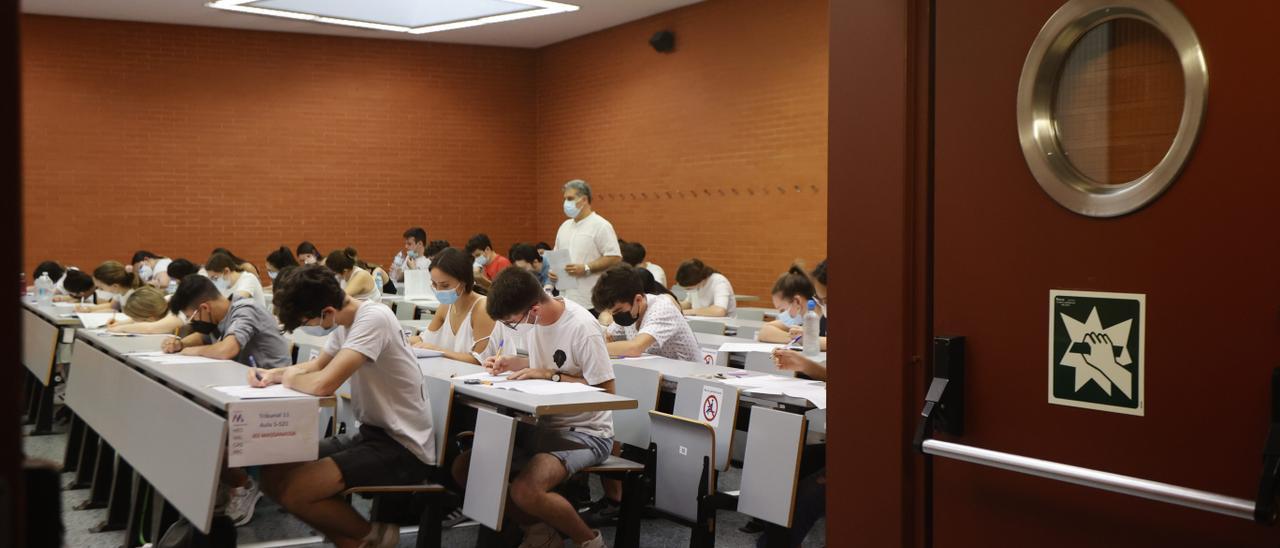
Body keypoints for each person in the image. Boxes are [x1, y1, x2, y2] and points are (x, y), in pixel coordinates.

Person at [253, 265, 440, 548]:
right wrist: (272, 375)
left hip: (403, 446)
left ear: (327, 312)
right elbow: (316, 366)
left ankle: (374, 537)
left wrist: (291, 378)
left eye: (308, 320)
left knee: (295, 492)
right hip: (371, 434)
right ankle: (365, 541)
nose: (308, 326)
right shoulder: (345, 322)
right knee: (271, 474)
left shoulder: (373, 318)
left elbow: (322, 385)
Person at [453, 267, 613, 548]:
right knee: (466, 467)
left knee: (526, 489)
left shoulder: (582, 328)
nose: (513, 329)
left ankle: (589, 541)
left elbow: (607, 393)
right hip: (542, 425)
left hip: (587, 432)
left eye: (512, 322)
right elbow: (548, 365)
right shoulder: (535, 323)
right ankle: (539, 531)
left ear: (534, 309)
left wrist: (550, 376)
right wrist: (513, 364)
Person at [161, 275, 292, 368]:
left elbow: (226, 350)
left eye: (192, 316)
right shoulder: (222, 314)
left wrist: (194, 351)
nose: (194, 321)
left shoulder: (246, 310)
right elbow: (203, 337)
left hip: (272, 383)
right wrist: (180, 344)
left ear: (205, 308)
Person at [409, 248, 494, 363]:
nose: (438, 290)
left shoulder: (482, 309)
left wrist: (440, 351)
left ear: (463, 281)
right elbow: (425, 339)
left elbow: (479, 360)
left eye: (445, 285)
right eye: (434, 284)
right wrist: (400, 341)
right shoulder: (446, 306)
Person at [553, 179, 622, 314]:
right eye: (565, 199)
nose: (566, 203)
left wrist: (586, 268)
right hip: (565, 298)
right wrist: (554, 271)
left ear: (584, 200)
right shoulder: (564, 226)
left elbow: (614, 257)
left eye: (570, 198)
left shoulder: (601, 225)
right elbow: (557, 256)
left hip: (589, 300)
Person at [757, 265, 827, 350]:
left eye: (782, 310)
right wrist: (795, 338)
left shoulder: (823, 317)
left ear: (797, 301)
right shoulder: (801, 320)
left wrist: (806, 339)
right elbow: (765, 331)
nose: (782, 314)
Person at [106, 286, 185, 334]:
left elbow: (150, 328)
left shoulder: (177, 313)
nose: (136, 322)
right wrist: (119, 323)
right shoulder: (161, 302)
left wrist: (122, 328)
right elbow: (139, 317)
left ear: (151, 318)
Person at [76, 261, 142, 312]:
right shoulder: (119, 291)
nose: (99, 290)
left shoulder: (133, 297)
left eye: (101, 288)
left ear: (115, 286)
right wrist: (90, 309)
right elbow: (112, 305)